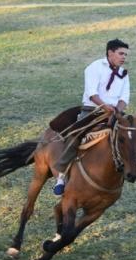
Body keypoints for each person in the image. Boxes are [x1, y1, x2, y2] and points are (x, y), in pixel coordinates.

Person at [53, 39, 131, 195]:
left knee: (131, 135)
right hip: (92, 110)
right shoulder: (94, 68)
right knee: (76, 134)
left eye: (125, 55)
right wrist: (104, 107)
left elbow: (125, 98)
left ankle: (126, 167)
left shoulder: (123, 73)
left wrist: (117, 111)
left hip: (115, 112)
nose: (124, 58)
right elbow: (92, 93)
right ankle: (61, 176)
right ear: (110, 53)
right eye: (121, 53)